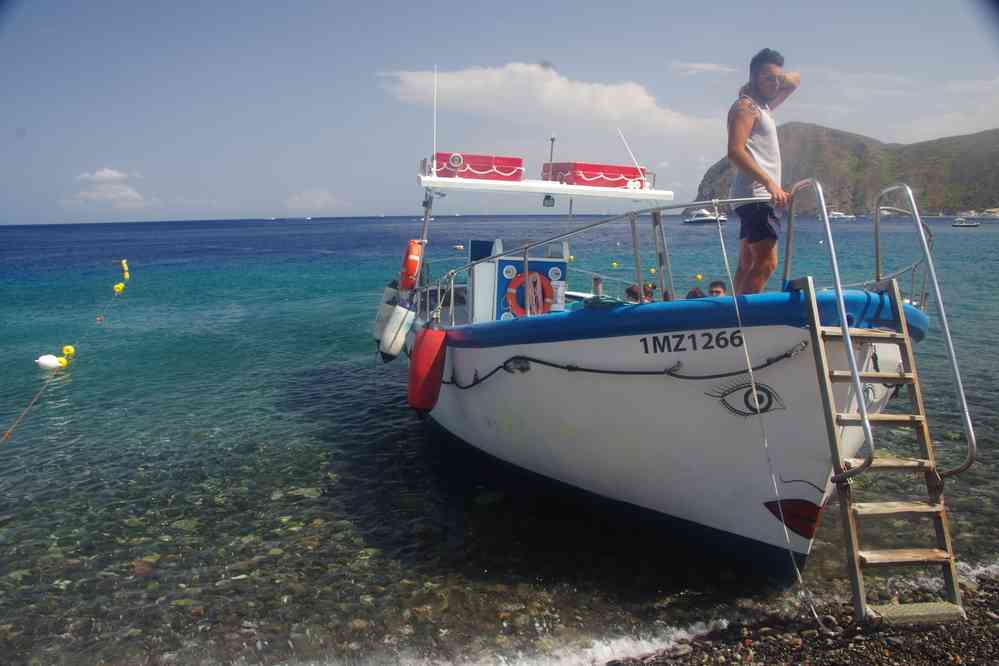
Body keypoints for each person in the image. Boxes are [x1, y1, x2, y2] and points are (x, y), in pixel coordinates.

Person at [727, 48, 800, 295]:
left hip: (754, 196)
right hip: (757, 195)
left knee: (747, 263)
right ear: (754, 77)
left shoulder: (765, 106)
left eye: (777, 79)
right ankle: (744, 321)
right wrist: (770, 183)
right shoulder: (746, 107)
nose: (776, 83)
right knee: (767, 263)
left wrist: (774, 78)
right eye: (769, 78)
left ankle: (733, 312)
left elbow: (796, 80)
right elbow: (735, 151)